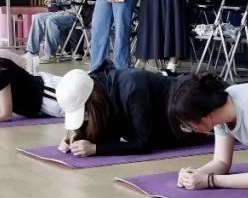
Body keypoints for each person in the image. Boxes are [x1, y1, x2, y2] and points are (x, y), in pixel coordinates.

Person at [54, 63, 201, 157]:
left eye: (84, 114)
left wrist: (96, 149)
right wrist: (77, 138)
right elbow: (106, 130)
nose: (85, 119)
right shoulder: (99, 86)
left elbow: (143, 143)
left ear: (91, 102)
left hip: (189, 114)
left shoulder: (132, 88)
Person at [0, 52, 64, 121]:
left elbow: (6, 115)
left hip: (47, 96)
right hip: (41, 98)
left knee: (71, 105)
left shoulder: (2, 71)